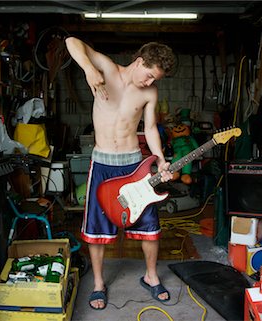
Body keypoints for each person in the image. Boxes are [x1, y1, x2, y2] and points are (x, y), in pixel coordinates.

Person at [65, 36, 176, 310]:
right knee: (96, 227)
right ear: (140, 62)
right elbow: (71, 41)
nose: (150, 83)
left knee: (149, 224)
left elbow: (149, 129)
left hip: (134, 163)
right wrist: (89, 69)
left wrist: (160, 159)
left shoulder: (150, 93)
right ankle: (99, 283)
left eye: (155, 80)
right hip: (103, 163)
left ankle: (151, 277)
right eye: (149, 75)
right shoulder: (106, 69)